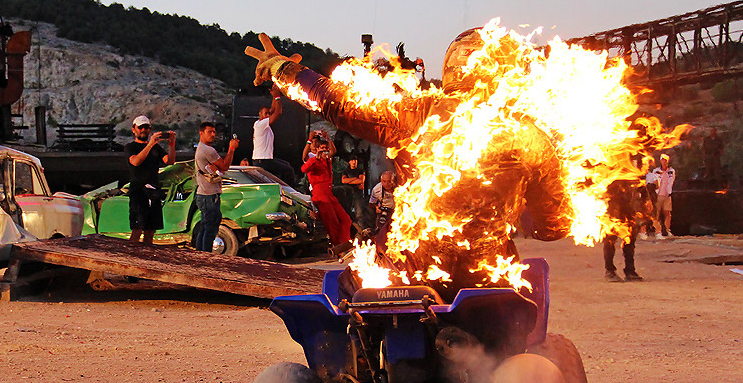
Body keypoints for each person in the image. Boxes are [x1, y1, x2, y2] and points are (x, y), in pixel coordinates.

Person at [246, 29, 572, 300]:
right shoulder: (532, 137)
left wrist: (286, 70)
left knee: (348, 297)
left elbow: (339, 103)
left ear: (451, 69)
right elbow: (555, 225)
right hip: (492, 274)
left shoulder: (419, 114)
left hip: (411, 270)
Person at [126, 115, 176, 245]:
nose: (143, 130)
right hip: (138, 191)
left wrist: (172, 145)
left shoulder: (156, 148)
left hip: (153, 191)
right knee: (137, 229)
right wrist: (150, 145)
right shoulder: (131, 147)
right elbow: (135, 162)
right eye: (140, 127)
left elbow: (169, 161)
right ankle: (132, 257)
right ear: (134, 129)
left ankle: (146, 256)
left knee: (150, 230)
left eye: (146, 127)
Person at [193, 122, 239, 252]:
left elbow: (221, 168)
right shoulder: (208, 150)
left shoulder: (202, 149)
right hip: (209, 195)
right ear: (201, 133)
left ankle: (200, 254)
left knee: (205, 226)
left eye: (214, 132)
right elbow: (224, 166)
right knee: (211, 227)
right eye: (209, 132)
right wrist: (231, 149)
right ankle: (206, 256)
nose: (213, 135)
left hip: (204, 193)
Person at [302, 136, 353, 250]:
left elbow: (333, 151)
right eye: (322, 148)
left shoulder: (327, 160)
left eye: (326, 149)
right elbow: (304, 169)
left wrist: (329, 140)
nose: (325, 151)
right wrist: (316, 158)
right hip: (320, 195)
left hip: (329, 194)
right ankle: (338, 247)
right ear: (316, 149)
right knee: (332, 223)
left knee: (346, 219)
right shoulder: (313, 160)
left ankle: (344, 243)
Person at [251, 85, 297, 185]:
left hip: (263, 159)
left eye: (268, 113)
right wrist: (277, 97)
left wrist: (274, 95)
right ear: (260, 113)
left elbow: (273, 109)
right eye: (265, 113)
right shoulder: (261, 124)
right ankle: (292, 190)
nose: (268, 115)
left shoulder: (263, 123)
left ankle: (285, 187)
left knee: (286, 165)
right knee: (288, 170)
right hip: (263, 160)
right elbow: (278, 112)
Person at [603, 178, 646, 282]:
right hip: (612, 206)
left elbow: (640, 181)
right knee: (610, 239)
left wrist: (646, 199)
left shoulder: (632, 166)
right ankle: (610, 270)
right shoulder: (608, 165)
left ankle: (630, 270)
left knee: (630, 239)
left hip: (629, 206)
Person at [653, 153, 675, 238]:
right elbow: (654, 181)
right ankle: (658, 231)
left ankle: (667, 230)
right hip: (658, 195)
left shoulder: (671, 171)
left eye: (665, 160)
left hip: (667, 195)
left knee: (667, 213)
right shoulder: (656, 171)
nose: (664, 162)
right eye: (662, 160)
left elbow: (671, 180)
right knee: (656, 214)